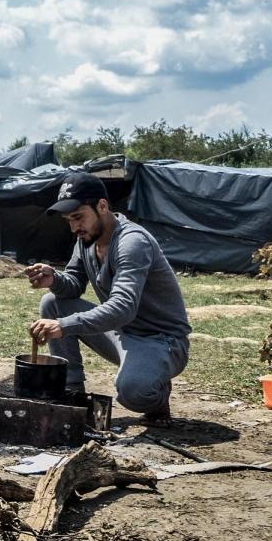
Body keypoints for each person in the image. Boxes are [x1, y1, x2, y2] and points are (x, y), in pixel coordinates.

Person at [26, 172, 192, 425]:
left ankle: (157, 394)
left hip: (161, 342)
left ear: (102, 206)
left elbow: (122, 308)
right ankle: (72, 393)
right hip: (120, 335)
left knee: (133, 392)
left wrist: (63, 326)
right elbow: (72, 286)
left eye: (78, 217)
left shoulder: (132, 242)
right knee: (52, 302)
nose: (74, 228)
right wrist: (54, 280)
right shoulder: (86, 240)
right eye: (69, 220)